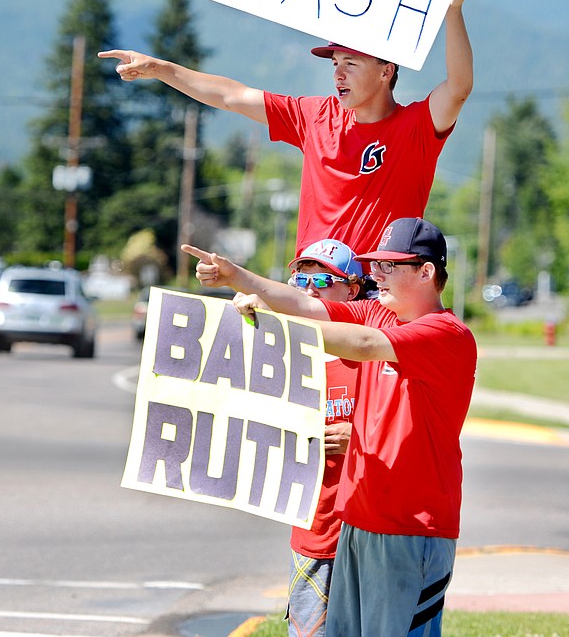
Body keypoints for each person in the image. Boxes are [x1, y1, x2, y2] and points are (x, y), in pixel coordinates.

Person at [183, 217, 476, 637]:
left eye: (389, 266)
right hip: (359, 521)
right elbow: (303, 304)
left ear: (426, 272)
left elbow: (362, 345)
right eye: (375, 265)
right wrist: (237, 276)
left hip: (412, 527)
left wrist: (274, 325)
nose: (377, 275)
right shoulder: (378, 313)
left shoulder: (446, 334)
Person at [98, 0, 474, 257]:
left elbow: (458, 88)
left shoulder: (415, 127)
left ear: (386, 70)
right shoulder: (315, 116)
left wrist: (453, 9)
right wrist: (160, 68)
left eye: (351, 63)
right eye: (335, 63)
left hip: (380, 292)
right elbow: (232, 96)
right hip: (312, 287)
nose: (338, 73)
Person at [282, 238, 365, 637]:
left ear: (351, 290)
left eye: (323, 280)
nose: (309, 288)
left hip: (366, 536)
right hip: (312, 533)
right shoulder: (282, 354)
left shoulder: (372, 351)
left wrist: (360, 436)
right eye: (301, 278)